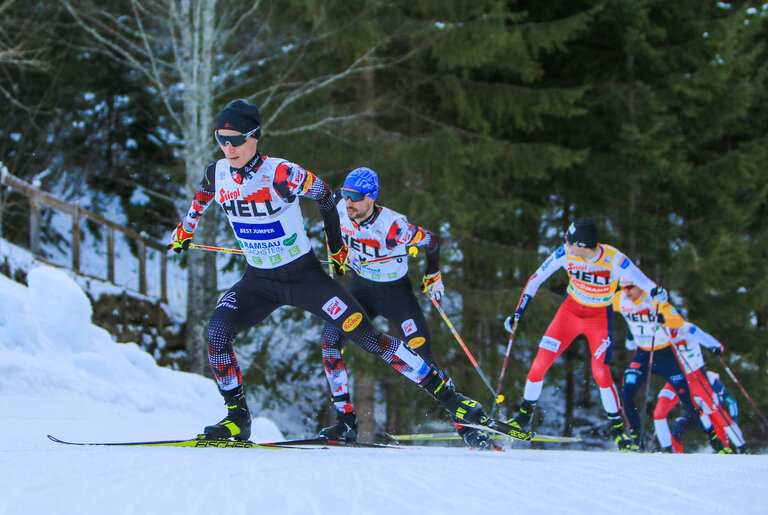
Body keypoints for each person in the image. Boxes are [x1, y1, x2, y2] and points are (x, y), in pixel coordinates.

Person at [168, 99, 487, 441]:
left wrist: (335, 248)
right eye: (222, 139)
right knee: (216, 335)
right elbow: (202, 196)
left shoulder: (281, 173)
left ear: (255, 136)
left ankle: (455, 403)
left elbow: (323, 195)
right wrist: (185, 229)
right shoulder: (216, 173)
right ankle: (237, 418)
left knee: (368, 338)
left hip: (304, 279)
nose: (228, 148)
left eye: (236, 139)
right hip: (258, 281)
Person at [318, 167, 492, 449]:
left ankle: (466, 424)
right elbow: (327, 219)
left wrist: (433, 274)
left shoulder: (394, 227)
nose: (349, 202)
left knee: (423, 358)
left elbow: (432, 240)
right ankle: (345, 422)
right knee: (329, 341)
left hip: (396, 294)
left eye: (356, 197)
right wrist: (339, 256)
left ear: (372, 197)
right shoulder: (339, 207)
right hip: (361, 291)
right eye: (347, 195)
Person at [503, 217, 669, 449]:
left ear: (583, 244)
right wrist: (519, 312)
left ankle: (620, 433)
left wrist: (658, 293)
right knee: (539, 365)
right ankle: (522, 418)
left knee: (601, 372)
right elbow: (535, 279)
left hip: (598, 317)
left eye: (571, 242)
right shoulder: (564, 253)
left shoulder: (614, 258)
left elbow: (644, 281)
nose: (566, 245)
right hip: (568, 313)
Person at [614, 279, 705, 451]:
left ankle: (713, 437)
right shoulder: (621, 299)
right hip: (643, 354)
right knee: (628, 392)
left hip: (668, 356)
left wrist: (664, 319)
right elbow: (599, 302)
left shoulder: (654, 299)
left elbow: (678, 321)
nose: (626, 291)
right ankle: (637, 437)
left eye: (630, 287)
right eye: (623, 287)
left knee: (689, 402)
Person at [652, 322, 748, 454]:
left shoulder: (687, 329)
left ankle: (742, 447)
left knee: (719, 413)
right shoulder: (657, 332)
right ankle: (667, 450)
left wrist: (715, 347)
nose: (668, 326)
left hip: (697, 378)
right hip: (677, 379)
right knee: (659, 411)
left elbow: (708, 340)